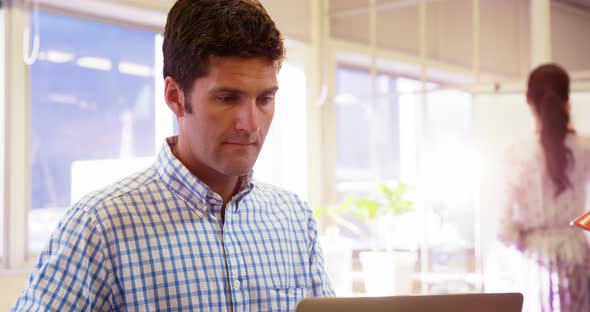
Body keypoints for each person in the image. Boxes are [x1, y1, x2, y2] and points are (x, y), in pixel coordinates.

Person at [11, 0, 334, 310]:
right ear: (174, 96)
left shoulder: (293, 218)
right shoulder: (100, 226)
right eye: (226, 98)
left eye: (264, 99)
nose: (250, 125)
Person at [497, 63, 590, 312]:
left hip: (534, 264)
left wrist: (522, 241)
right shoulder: (585, 148)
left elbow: (503, 227)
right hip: (578, 259)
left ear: (528, 102)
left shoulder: (517, 153)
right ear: (567, 100)